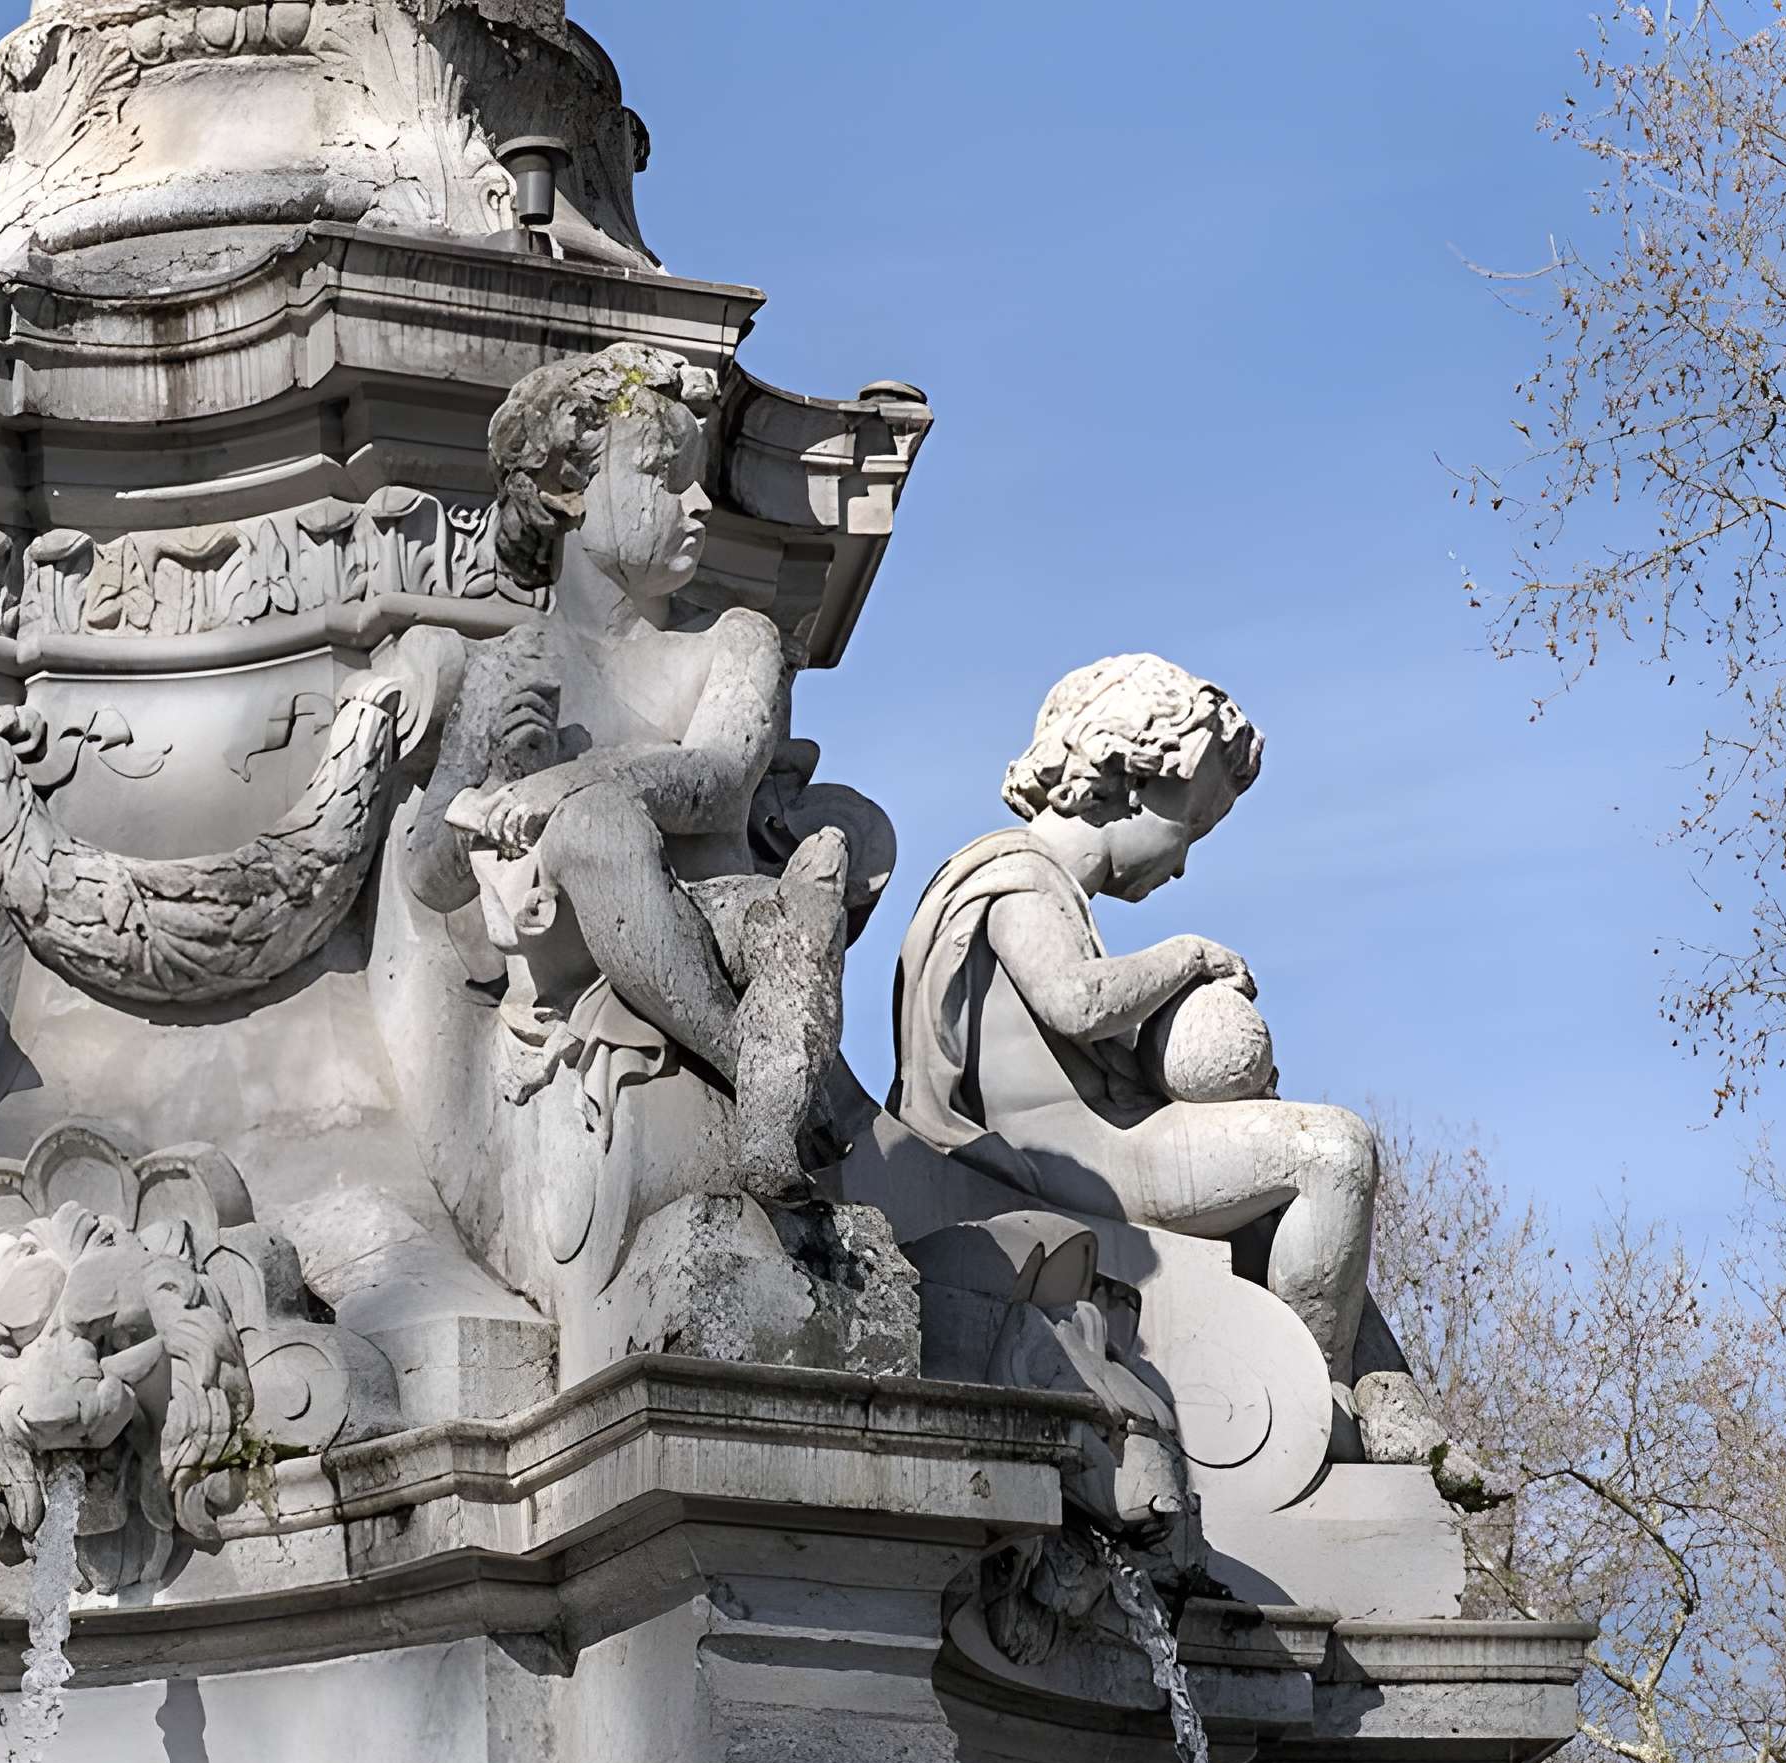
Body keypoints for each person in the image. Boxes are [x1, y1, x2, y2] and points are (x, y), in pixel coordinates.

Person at [892, 654, 1479, 1492]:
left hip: (1105, 1138)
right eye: (1188, 829)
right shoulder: (1016, 874)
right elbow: (1076, 1002)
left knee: (1296, 1166)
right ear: (1127, 782)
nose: (1182, 864)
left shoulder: (1046, 888)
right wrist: (1186, 957)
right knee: (1332, 1152)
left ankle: (1386, 1400)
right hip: (1076, 1155)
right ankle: (1313, 1404)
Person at [416, 342, 854, 1201]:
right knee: (595, 827)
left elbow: (722, 777)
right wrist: (500, 783)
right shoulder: (509, 667)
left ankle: (770, 1086)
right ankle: (762, 1078)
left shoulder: (734, 641)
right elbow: (429, 870)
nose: (697, 503)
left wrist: (568, 778)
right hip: (578, 948)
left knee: (802, 896)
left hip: (723, 912)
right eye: (664, 474)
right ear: (566, 489)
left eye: (698, 479)